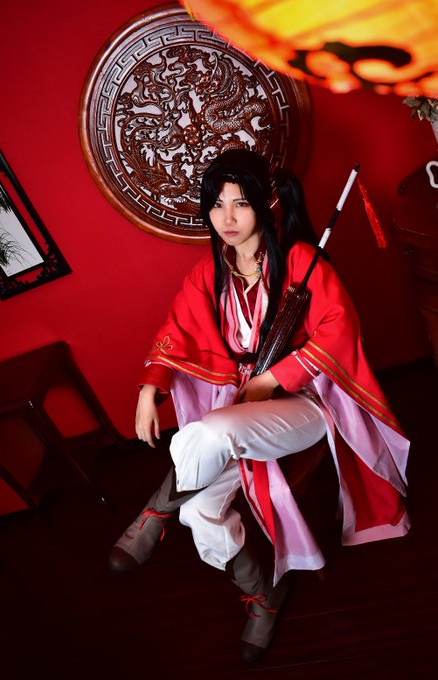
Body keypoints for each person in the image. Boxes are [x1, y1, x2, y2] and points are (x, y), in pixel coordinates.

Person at [108, 148, 410, 664]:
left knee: (208, 433)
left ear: (267, 204)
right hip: (240, 409)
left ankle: (155, 510)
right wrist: (148, 389)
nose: (226, 218)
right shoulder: (210, 273)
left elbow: (340, 331)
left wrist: (273, 378)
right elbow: (175, 331)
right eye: (217, 204)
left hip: (305, 406)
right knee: (200, 511)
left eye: (241, 204)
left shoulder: (300, 260)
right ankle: (262, 594)